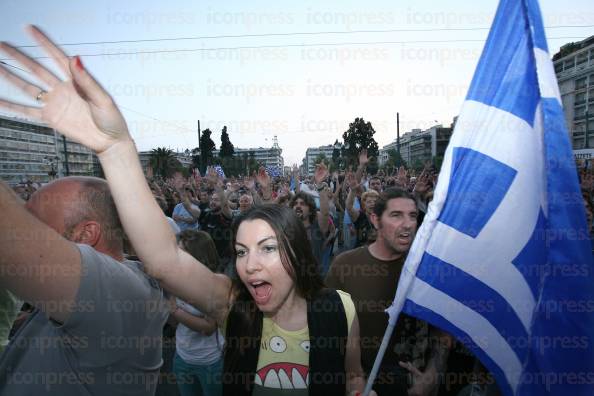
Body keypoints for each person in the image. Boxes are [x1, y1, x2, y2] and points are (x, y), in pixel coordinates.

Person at [0, 26, 375, 396]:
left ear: (296, 249)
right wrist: (116, 150)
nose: (249, 265)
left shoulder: (339, 309)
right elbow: (164, 260)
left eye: (267, 248)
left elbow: (353, 376)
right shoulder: (234, 308)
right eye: (241, 252)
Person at [0, 176, 169, 395]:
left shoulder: (123, 290)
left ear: (86, 234)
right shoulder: (87, 291)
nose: (26, 226)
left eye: (33, 220)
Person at [326, 188, 452, 396]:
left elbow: (443, 332)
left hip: (412, 386)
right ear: (376, 220)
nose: (408, 224)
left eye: (412, 216)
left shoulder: (429, 269)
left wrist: (431, 377)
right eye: (396, 215)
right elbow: (326, 328)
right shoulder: (345, 265)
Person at [172, 230, 225, 396]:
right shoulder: (175, 280)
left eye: (182, 253)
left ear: (198, 255)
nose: (176, 258)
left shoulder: (214, 283)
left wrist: (172, 309)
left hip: (210, 361)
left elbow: (209, 327)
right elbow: (176, 323)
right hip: (182, 357)